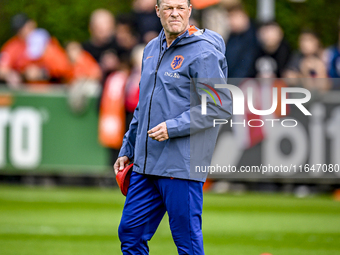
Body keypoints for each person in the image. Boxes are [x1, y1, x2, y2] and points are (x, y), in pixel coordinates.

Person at [113, 0, 232, 254]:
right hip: (146, 165)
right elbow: (143, 106)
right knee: (130, 234)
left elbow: (218, 106)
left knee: (187, 244)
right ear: (157, 11)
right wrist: (128, 147)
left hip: (181, 166)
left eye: (180, 7)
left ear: (190, 10)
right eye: (168, 8)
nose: (174, 13)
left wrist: (173, 127)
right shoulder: (150, 49)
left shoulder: (204, 52)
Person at [0, 13, 71, 87]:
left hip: (49, 90)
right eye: (18, 30)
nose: (22, 31)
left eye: (23, 27)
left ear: (31, 24)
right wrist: (12, 74)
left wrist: (41, 73)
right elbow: (2, 67)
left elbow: (64, 69)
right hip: (24, 91)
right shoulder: (13, 46)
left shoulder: (46, 43)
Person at [225, 3, 261, 78]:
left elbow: (246, 66)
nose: (231, 22)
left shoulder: (254, 35)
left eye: (233, 17)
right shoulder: (233, 35)